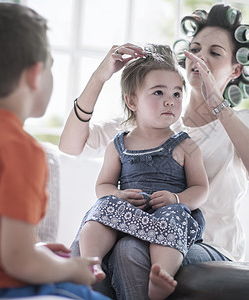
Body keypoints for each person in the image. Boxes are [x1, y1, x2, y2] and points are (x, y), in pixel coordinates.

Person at [59, 3, 249, 299]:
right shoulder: (152, 119)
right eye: (194, 48)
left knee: (129, 249)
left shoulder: (241, 122)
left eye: (214, 53)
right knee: (89, 245)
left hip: (208, 245)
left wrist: (218, 104)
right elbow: (70, 145)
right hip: (139, 228)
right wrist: (100, 77)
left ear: (236, 69)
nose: (199, 58)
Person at [0, 3, 110, 299]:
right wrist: (70, 269)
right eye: (51, 65)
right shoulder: (21, 150)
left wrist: (35, 249)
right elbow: (18, 261)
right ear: (35, 75)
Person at [74, 44, 209, 300]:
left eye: (177, 94)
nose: (170, 100)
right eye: (159, 92)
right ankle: (90, 262)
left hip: (163, 214)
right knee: (101, 208)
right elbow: (103, 184)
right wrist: (116, 194)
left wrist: (177, 199)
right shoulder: (119, 144)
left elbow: (201, 189)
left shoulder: (185, 145)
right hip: (128, 215)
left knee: (174, 216)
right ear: (132, 101)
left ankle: (161, 275)